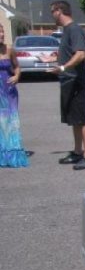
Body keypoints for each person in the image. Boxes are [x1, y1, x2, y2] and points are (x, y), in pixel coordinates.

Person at [47, 0, 85, 170]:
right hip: (68, 80)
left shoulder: (74, 29)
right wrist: (53, 59)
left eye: (52, 11)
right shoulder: (66, 30)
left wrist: (62, 67)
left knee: (82, 118)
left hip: (77, 81)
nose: (52, 15)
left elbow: (80, 54)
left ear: (59, 11)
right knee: (74, 120)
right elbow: (68, 54)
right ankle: (77, 151)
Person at [0, 24, 29, 168]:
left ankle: (13, 153)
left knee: (11, 121)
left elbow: (17, 67)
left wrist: (17, 76)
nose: (1, 35)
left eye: (2, 31)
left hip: (8, 90)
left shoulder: (10, 50)